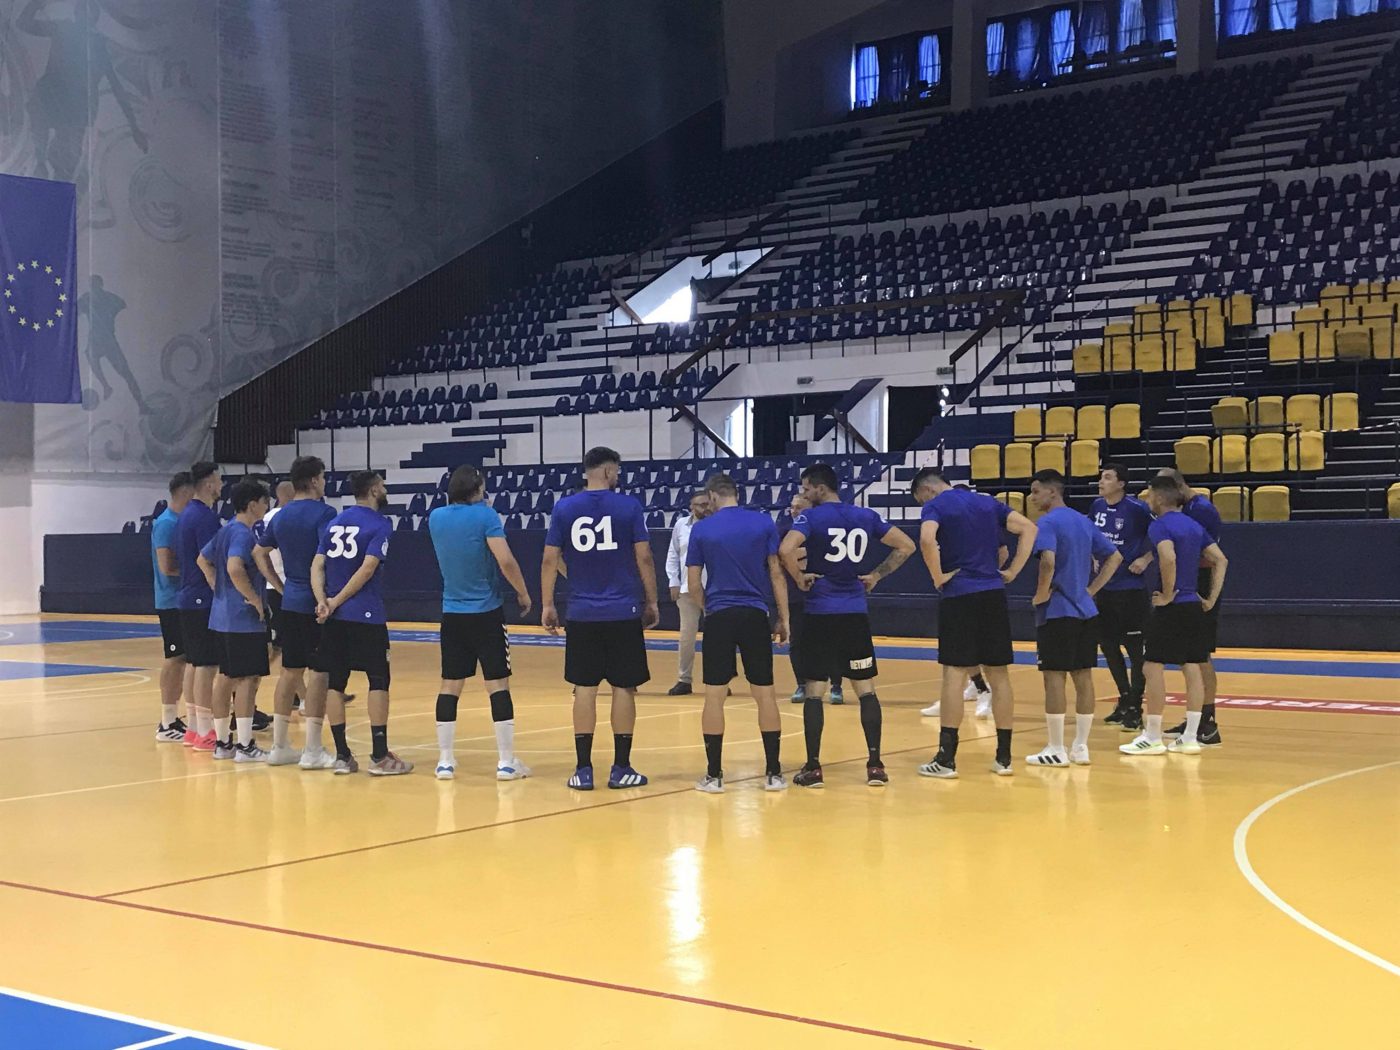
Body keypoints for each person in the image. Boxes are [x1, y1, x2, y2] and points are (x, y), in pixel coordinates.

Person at [779, 463, 915, 787]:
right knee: (866, 689)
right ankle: (875, 765)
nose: (804, 494)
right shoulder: (865, 516)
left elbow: (785, 549)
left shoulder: (811, 518)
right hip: (854, 612)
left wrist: (799, 578)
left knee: (815, 691)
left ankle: (813, 768)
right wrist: (877, 575)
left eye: (806, 488)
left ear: (819, 487)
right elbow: (906, 545)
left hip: (820, 612)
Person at [541, 447, 657, 791]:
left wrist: (548, 604)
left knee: (584, 689)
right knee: (624, 687)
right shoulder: (628, 507)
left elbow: (550, 559)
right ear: (607, 471)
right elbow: (644, 557)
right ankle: (621, 768)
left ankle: (583, 769)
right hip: (622, 611)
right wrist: (652, 600)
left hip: (581, 612)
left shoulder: (564, 508)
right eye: (616, 471)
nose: (618, 476)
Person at [911, 469, 1037, 778]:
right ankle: (1004, 758)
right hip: (993, 594)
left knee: (953, 674)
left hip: (959, 594)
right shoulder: (987, 502)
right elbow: (1029, 528)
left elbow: (926, 539)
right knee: (999, 675)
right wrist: (1013, 571)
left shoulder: (936, 505)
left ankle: (946, 759)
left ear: (927, 490)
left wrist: (937, 576)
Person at [428, 464, 533, 781]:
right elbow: (505, 560)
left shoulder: (436, 517)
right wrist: (523, 592)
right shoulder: (486, 516)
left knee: (450, 684)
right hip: (486, 611)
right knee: (497, 683)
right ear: (477, 489)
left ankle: (445, 761)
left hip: (452, 612)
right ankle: (506, 762)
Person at [686, 473, 789, 793]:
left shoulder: (702, 529)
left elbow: (693, 584)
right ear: (736, 494)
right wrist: (784, 618)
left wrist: (709, 610)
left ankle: (714, 775)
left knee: (714, 696)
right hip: (755, 614)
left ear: (713, 497)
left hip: (720, 614)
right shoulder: (763, 523)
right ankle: (774, 774)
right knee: (765, 693)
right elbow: (776, 573)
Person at [312, 471, 413, 776]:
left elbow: (317, 565)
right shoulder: (379, 524)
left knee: (336, 682)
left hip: (335, 618)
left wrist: (323, 600)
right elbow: (368, 569)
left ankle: (342, 756)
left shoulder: (334, 522)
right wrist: (336, 601)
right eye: (382, 486)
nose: (385, 490)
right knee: (378, 679)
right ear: (372, 491)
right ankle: (379, 756)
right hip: (365, 614)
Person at [1120, 476, 1228, 757]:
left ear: (1159, 497)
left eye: (1149, 495)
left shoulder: (1160, 525)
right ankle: (1190, 737)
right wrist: (1211, 599)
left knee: (1151, 666)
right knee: (1192, 667)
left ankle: (1152, 736)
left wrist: (1168, 594)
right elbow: (1220, 559)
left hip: (1173, 606)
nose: (1147, 500)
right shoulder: (1193, 525)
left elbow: (1168, 558)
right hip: (1193, 605)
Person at [1024, 470, 1122, 767]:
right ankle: (1081, 746)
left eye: (1036, 491)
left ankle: (1056, 747)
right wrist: (1091, 590)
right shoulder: (1084, 521)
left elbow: (1048, 560)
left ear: (1052, 492)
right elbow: (1115, 557)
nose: (1031, 497)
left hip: (1058, 611)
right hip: (1085, 611)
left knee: (1054, 677)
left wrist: (1041, 593)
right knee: (1083, 677)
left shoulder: (1047, 523)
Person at [253, 457, 338, 769]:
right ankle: (313, 749)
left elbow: (259, 552)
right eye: (323, 477)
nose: (324, 482)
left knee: (289, 671)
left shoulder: (282, 515)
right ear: (314, 480)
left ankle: (280, 746)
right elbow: (325, 559)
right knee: (319, 674)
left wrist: (279, 585)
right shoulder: (325, 513)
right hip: (315, 602)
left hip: (289, 600)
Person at [196, 479, 272, 763]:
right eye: (264, 502)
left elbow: (202, 560)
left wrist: (219, 589)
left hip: (220, 616)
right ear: (252, 505)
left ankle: (222, 743)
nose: (267, 506)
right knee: (247, 680)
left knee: (225, 678)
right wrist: (254, 599)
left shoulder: (225, 529)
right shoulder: (242, 534)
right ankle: (245, 745)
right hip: (242, 620)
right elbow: (234, 567)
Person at [1159, 468, 1226, 747]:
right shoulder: (1183, 510)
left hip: (1200, 582)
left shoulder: (1201, 510)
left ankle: (1208, 723)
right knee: (1189, 656)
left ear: (1177, 487)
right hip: (1187, 583)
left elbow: (1211, 556)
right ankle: (1195, 718)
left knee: (1200, 656)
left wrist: (1209, 597)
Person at [1090, 464, 1155, 731]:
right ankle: (1125, 699)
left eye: (1107, 478)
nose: (1101, 482)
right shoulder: (1096, 507)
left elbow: (1161, 535)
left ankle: (1136, 706)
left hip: (1130, 589)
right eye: (1101, 477)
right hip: (1105, 588)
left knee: (1136, 650)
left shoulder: (1137, 509)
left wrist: (1146, 558)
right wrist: (1094, 556)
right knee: (1108, 645)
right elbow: (1092, 536)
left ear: (1121, 483)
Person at [175, 462, 223, 751]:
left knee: (194, 663)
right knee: (206, 665)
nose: (221, 485)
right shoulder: (204, 517)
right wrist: (219, 589)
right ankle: (205, 731)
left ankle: (193, 727)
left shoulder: (186, 514)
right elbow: (207, 559)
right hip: (201, 597)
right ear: (208, 484)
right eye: (218, 480)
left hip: (187, 596)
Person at [780, 492, 844, 705]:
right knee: (797, 642)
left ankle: (836, 686)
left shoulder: (822, 531)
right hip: (796, 595)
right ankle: (802, 684)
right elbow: (780, 558)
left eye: (799, 507)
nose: (794, 511)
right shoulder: (785, 532)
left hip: (823, 594)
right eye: (792, 507)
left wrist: (794, 555)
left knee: (830, 641)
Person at [151, 471, 192, 743]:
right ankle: (166, 721)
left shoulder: (179, 521)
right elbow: (166, 566)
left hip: (181, 599)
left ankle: (174, 717)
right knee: (175, 657)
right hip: (170, 599)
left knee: (183, 658)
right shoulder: (166, 523)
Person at [663, 490, 711, 696]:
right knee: (686, 636)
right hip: (686, 588)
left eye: (707, 504)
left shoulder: (716, 524)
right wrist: (673, 580)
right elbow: (673, 554)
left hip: (712, 588)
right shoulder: (681, 525)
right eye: (700, 505)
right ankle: (684, 679)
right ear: (691, 507)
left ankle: (717, 679)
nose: (704, 508)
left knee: (715, 636)